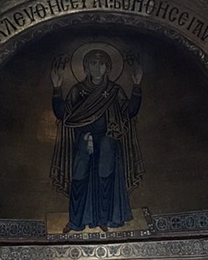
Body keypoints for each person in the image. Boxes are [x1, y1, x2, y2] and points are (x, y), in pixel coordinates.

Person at [51, 48, 144, 232]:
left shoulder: (114, 91)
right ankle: (75, 221)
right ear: (86, 68)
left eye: (102, 63)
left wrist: (136, 85)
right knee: (79, 178)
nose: (97, 67)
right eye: (93, 63)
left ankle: (103, 218)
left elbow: (129, 112)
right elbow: (63, 114)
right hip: (84, 141)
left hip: (108, 141)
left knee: (105, 179)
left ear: (108, 68)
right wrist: (56, 88)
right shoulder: (78, 91)